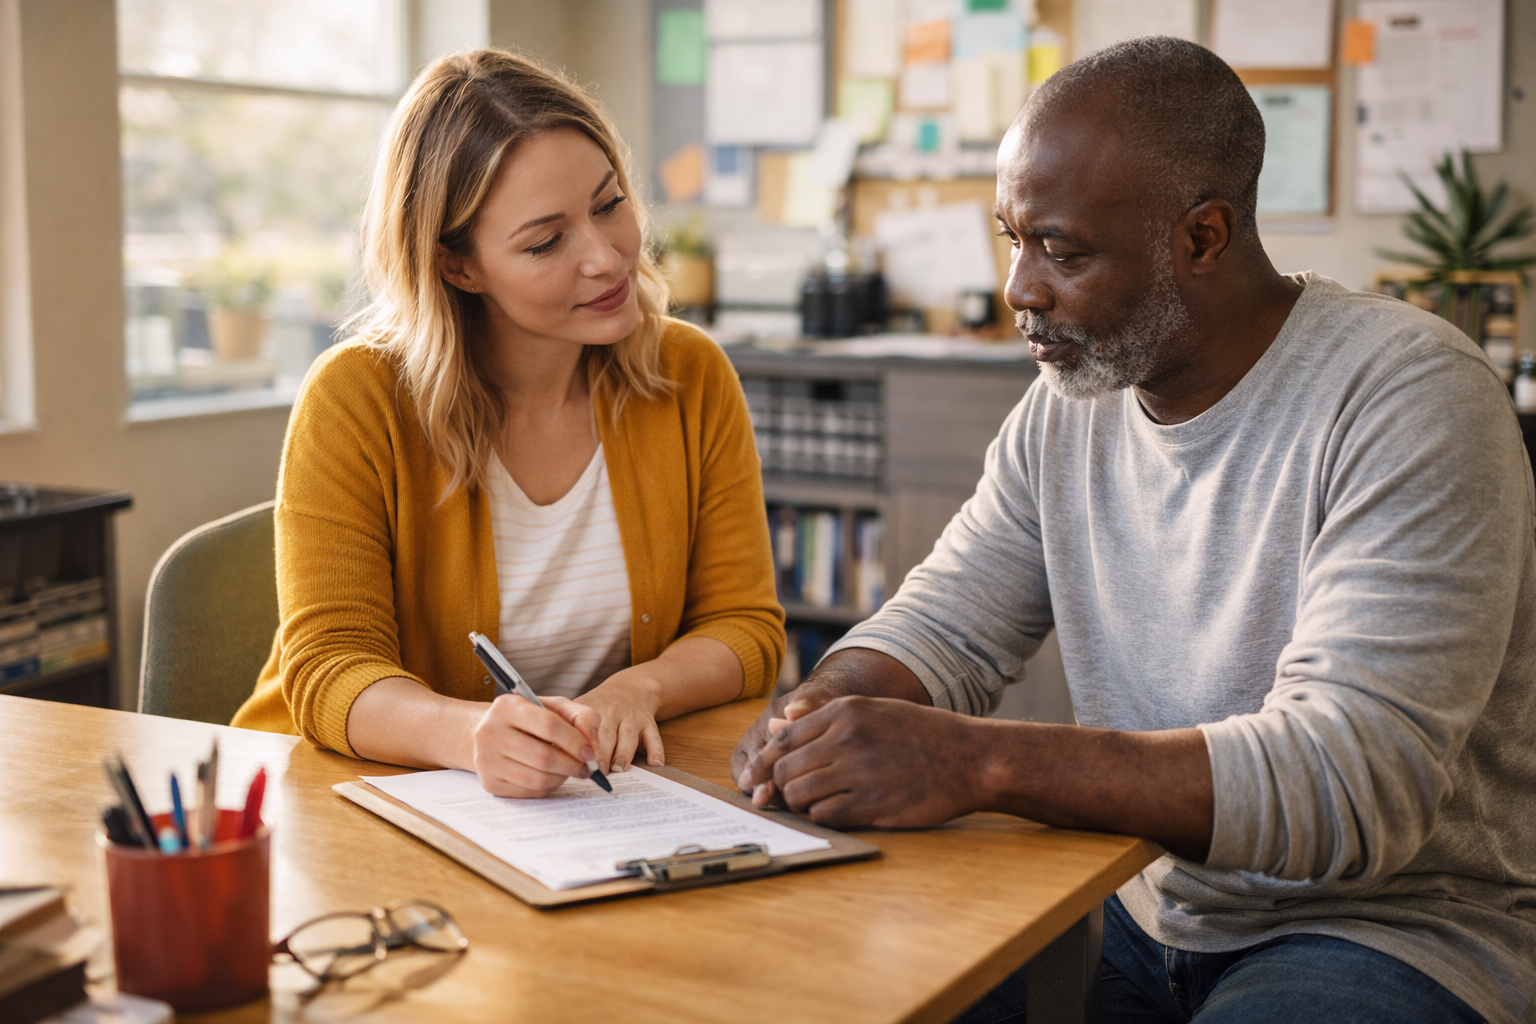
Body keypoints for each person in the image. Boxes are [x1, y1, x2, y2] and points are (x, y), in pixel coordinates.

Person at [734, 37, 1536, 1024]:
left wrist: (974, 759)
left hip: (1387, 929)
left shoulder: (1408, 398)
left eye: (1062, 252)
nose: (1021, 289)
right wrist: (819, 711)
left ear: (1204, 237)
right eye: (1013, 240)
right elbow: (940, 627)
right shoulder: (1069, 404)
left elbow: (1350, 782)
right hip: (1136, 906)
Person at [232, 49, 783, 798]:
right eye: (546, 241)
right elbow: (330, 668)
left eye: (609, 203)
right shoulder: (356, 398)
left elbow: (746, 625)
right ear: (458, 266)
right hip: (339, 802)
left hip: (584, 806)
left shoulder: (689, 376)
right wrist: (468, 736)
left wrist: (637, 689)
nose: (606, 257)